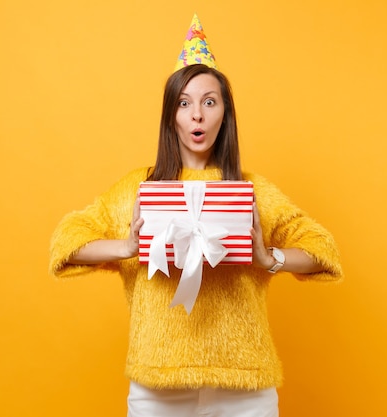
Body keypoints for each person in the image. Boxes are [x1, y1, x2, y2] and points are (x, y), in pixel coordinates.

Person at [49, 15, 343, 417]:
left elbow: (322, 249)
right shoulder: (140, 188)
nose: (197, 115)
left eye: (209, 101)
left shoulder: (252, 190)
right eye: (184, 103)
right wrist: (128, 246)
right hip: (158, 387)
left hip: (245, 387)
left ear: (225, 113)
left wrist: (267, 258)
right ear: (171, 114)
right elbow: (65, 242)